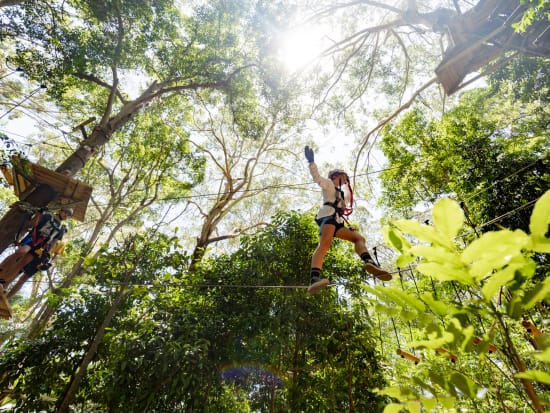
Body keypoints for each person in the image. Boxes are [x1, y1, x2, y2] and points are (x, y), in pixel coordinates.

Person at [304, 146, 392, 294]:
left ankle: (369, 263)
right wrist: (312, 162)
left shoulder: (341, 194)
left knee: (358, 238)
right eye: (343, 177)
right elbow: (317, 178)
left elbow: (342, 210)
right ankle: (314, 279)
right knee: (324, 245)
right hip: (328, 218)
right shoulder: (329, 185)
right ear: (335, 176)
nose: (345, 180)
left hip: (337, 222)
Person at [0, 207, 72, 290]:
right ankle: (1, 268)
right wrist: (39, 214)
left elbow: (54, 242)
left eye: (68, 215)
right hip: (32, 238)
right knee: (21, 252)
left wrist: (48, 254)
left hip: (40, 247)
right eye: (65, 213)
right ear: (60, 211)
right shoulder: (48, 216)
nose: (66, 216)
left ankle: (4, 281)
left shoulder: (61, 229)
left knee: (22, 264)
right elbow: (32, 224)